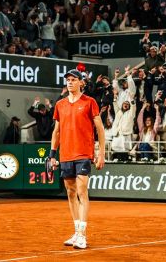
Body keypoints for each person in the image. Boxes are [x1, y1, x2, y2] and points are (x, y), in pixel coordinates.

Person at [49, 69, 105, 250]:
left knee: (82, 191)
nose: (70, 83)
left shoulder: (90, 102)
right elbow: (56, 131)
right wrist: (52, 154)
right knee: (70, 192)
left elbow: (100, 129)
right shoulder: (60, 104)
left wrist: (101, 153)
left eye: (73, 80)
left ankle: (82, 234)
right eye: (68, 80)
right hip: (66, 154)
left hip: (83, 154)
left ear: (81, 82)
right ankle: (76, 231)